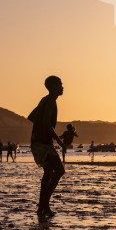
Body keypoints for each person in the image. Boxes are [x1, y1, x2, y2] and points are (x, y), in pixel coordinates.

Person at [27, 75, 66, 217]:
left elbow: (32, 116)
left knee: (49, 172)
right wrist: (59, 141)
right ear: (53, 87)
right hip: (42, 143)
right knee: (60, 171)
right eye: (60, 84)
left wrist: (47, 132)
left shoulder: (45, 100)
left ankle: (43, 206)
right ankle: (44, 204)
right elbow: (46, 123)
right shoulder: (49, 101)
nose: (62, 87)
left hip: (39, 141)